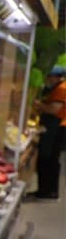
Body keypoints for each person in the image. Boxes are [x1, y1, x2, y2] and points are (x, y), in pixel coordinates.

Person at [34, 65, 66, 199]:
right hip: (53, 126)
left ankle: (49, 191)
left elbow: (54, 109)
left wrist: (37, 105)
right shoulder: (57, 87)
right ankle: (45, 190)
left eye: (49, 76)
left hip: (56, 127)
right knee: (48, 158)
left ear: (55, 77)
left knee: (49, 159)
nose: (47, 79)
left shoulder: (61, 88)